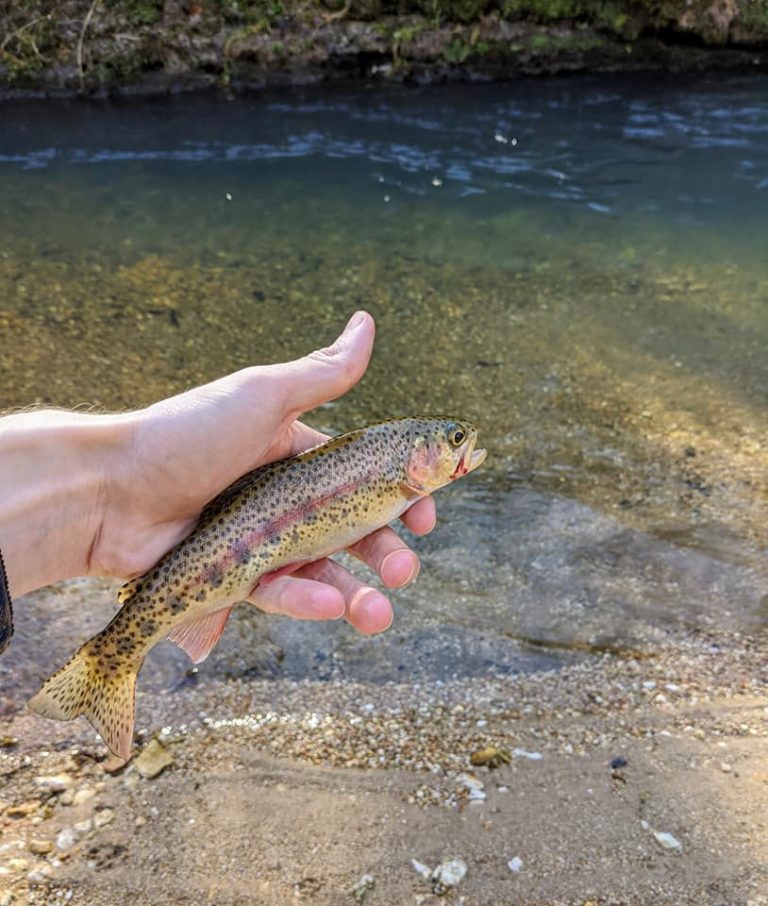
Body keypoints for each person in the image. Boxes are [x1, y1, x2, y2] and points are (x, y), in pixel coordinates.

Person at [0, 311, 436, 639]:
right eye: (454, 440)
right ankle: (111, 660)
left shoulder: (389, 469)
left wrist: (107, 487)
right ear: (416, 455)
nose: (462, 447)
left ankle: (114, 656)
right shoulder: (391, 472)